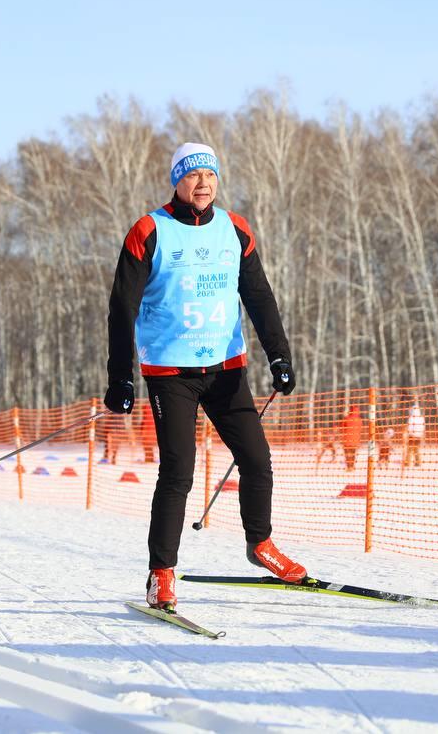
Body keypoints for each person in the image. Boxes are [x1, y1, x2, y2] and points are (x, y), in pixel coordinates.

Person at [105, 142, 305, 611]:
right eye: (193, 175)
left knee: (257, 460)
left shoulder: (234, 229)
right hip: (171, 371)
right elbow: (122, 308)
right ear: (176, 180)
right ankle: (161, 575)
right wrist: (121, 377)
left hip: (225, 368)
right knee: (178, 472)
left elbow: (259, 296)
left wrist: (279, 356)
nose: (202, 184)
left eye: (210, 176)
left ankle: (261, 545)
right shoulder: (150, 230)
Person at [341, 404, 363, 470]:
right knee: (353, 453)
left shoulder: (347, 418)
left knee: (347, 453)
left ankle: (349, 466)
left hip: (347, 439)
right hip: (355, 439)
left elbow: (342, 427)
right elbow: (360, 429)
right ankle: (352, 466)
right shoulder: (359, 420)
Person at [404, 396, 424, 468]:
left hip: (412, 436)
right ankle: (418, 462)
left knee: (409, 450)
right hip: (418, 436)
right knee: (417, 450)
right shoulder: (421, 418)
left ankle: (407, 463)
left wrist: (407, 434)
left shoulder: (411, 418)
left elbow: (409, 428)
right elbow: (422, 428)